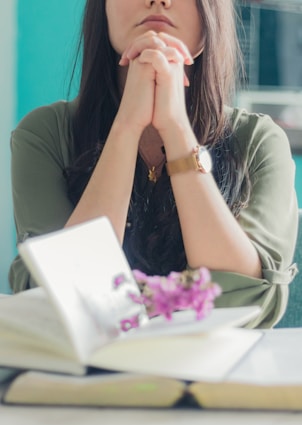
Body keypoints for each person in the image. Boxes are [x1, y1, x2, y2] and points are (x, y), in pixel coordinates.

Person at [9, 0, 298, 327]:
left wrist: (176, 130)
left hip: (220, 370)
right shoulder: (44, 134)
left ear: (212, 16)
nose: (159, 1)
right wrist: (126, 127)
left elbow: (245, 300)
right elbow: (61, 298)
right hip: (89, 372)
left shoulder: (260, 141)